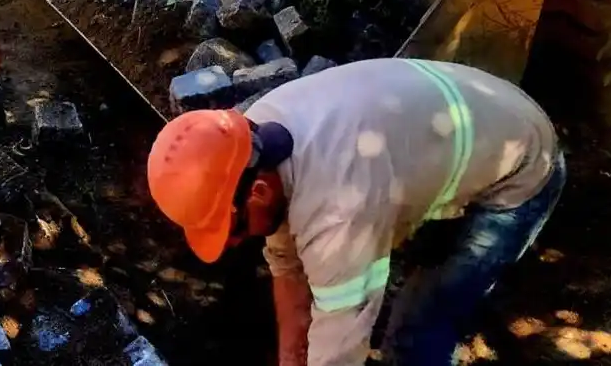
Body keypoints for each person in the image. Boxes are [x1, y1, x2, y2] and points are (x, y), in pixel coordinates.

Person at [147, 58, 565, 366]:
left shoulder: (338, 214)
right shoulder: (251, 137)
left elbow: (340, 348)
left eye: (232, 229)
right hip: (467, 117)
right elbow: (287, 264)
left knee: (415, 333)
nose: (234, 242)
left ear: (256, 192)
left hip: (520, 168)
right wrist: (291, 357)